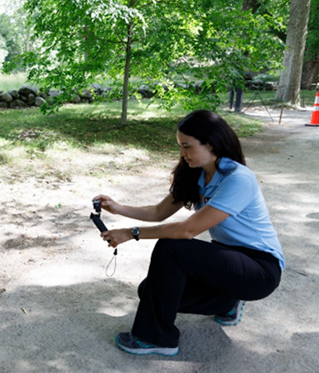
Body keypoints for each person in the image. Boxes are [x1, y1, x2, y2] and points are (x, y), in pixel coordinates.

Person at [94, 110, 284, 356]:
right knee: (151, 291)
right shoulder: (197, 174)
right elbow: (159, 211)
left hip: (259, 269)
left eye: (187, 147)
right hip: (229, 258)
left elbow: (187, 230)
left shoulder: (239, 179)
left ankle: (157, 338)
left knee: (172, 247)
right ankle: (228, 301)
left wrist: (131, 233)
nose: (182, 154)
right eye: (180, 147)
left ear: (212, 144)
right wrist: (117, 208)